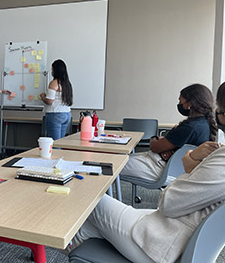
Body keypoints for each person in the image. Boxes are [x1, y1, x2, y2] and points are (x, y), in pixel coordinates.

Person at [64, 82, 225, 263]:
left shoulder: (219, 156)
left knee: (88, 200)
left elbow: (168, 202)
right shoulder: (209, 134)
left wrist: (188, 162)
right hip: (172, 229)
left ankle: (61, 249)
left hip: (164, 241)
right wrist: (191, 164)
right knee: (87, 229)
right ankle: (74, 254)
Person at [120, 83, 216, 181]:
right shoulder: (204, 124)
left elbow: (155, 147)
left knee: (113, 165)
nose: (179, 104)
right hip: (174, 168)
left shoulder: (189, 127)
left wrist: (155, 139)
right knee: (122, 159)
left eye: (180, 100)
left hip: (161, 167)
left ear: (190, 103)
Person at [40, 59, 73, 140]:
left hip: (55, 114)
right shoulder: (67, 83)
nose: (51, 71)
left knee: (54, 142)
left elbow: (49, 100)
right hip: (66, 114)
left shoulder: (54, 83)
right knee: (60, 142)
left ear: (56, 70)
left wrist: (43, 96)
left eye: (52, 69)